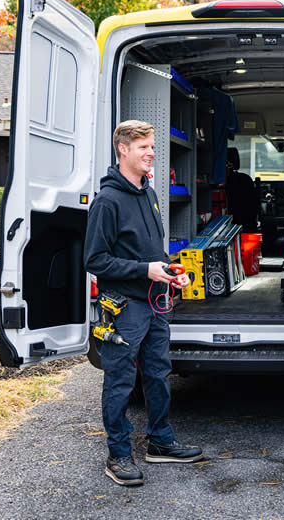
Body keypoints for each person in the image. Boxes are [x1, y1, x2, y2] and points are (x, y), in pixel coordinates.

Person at [84, 120, 202, 487]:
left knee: (157, 373)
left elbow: (152, 251)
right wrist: (145, 270)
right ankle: (118, 454)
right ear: (123, 149)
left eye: (152, 147)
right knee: (120, 381)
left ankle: (160, 442)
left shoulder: (148, 193)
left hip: (154, 302)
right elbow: (95, 260)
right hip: (123, 306)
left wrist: (170, 270)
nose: (151, 153)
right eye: (144, 147)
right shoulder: (107, 201)